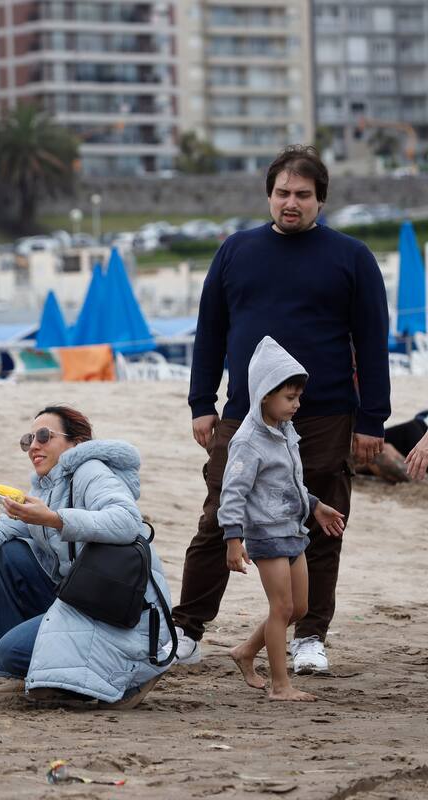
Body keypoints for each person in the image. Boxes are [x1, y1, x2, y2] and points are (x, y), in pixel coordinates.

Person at [174, 145, 390, 674]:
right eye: (282, 193)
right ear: (269, 195)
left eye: (303, 195)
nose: (291, 203)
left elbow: (372, 341)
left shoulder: (352, 256)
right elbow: (210, 332)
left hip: (326, 413)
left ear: (321, 200)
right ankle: (186, 630)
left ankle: (310, 636)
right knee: (218, 517)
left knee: (321, 524)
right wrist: (202, 402)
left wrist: (373, 421)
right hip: (243, 414)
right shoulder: (235, 251)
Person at [0, 406, 173, 708]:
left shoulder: (91, 471)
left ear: (76, 443)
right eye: (28, 440)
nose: (33, 446)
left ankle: (136, 674)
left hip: (122, 609)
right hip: (80, 598)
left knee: (10, 653)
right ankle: (31, 674)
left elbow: (127, 521)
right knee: (10, 553)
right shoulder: (44, 488)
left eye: (44, 436)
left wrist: (54, 519)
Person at [220, 337, 346, 702]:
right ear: (264, 395)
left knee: (299, 608)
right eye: (290, 397)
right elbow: (232, 493)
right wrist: (233, 539)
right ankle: (280, 686)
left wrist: (315, 505)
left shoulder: (285, 431)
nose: (297, 404)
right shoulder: (247, 442)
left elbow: (289, 483)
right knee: (281, 608)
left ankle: (246, 651)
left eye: (298, 397)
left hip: (293, 530)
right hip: (266, 534)